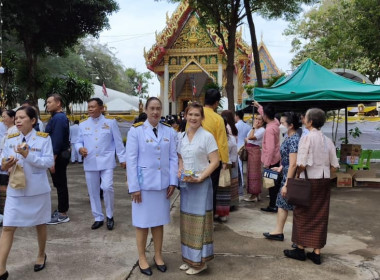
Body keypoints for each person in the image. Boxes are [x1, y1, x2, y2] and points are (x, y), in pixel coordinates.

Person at [0, 106, 54, 279]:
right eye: (16, 117)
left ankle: (41, 254)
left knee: (40, 224)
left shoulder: (43, 139)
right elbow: (3, 163)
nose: (17, 120)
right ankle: (1, 268)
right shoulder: (10, 138)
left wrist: (28, 155)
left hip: (37, 191)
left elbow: (48, 162)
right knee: (8, 226)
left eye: (22, 118)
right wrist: (6, 164)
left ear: (33, 121)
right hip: (16, 189)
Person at [126, 97, 178, 276]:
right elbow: (131, 160)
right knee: (141, 223)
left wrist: (173, 181)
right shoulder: (136, 131)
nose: (155, 112)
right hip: (143, 185)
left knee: (158, 222)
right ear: (146, 110)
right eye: (152, 108)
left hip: (162, 185)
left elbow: (172, 158)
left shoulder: (169, 131)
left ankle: (158, 255)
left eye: (158, 108)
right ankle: (142, 257)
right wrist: (134, 186)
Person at [284, 108, 339, 265]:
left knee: (302, 213)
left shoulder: (306, 138)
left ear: (310, 122)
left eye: (305, 117)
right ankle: (316, 252)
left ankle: (300, 248)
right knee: (320, 214)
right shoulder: (327, 141)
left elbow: (301, 164)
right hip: (324, 180)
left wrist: (295, 177)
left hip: (308, 180)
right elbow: (334, 165)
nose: (302, 118)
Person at [177, 102, 219, 275]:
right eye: (190, 114)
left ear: (202, 118)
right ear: (185, 116)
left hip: (201, 185)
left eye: (197, 115)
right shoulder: (181, 137)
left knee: (200, 222)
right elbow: (180, 158)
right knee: (187, 222)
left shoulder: (207, 136)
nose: (193, 118)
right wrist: (180, 170)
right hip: (186, 185)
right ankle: (190, 259)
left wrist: (201, 177)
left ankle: (200, 262)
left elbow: (215, 161)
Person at [76, 98, 126, 230]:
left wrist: (122, 159)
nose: (90, 109)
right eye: (89, 107)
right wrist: (80, 149)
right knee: (93, 191)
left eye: (93, 107)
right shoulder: (83, 125)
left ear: (101, 108)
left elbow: (118, 142)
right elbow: (78, 141)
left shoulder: (110, 123)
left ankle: (110, 215)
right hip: (90, 161)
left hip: (106, 160)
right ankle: (98, 217)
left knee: (107, 187)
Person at [263, 112, 301, 241]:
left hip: (291, 177)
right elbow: (287, 160)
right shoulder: (288, 137)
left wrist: (287, 184)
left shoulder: (294, 139)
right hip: (286, 174)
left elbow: (293, 163)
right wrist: (280, 167)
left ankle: (296, 237)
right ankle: (278, 231)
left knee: (291, 205)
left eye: (283, 123)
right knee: (281, 204)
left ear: (290, 125)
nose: (280, 125)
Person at [45, 94, 71, 225]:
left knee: (60, 184)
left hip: (59, 155)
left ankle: (62, 214)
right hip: (58, 155)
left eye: (50, 102)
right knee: (59, 184)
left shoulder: (59, 118)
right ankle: (61, 210)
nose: (47, 105)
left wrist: (52, 160)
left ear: (58, 103)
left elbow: (57, 141)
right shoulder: (56, 117)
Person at [202, 89, 229, 213]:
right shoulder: (218, 118)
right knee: (211, 189)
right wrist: (224, 160)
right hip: (213, 160)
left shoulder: (194, 114)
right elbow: (222, 142)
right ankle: (209, 218)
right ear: (216, 103)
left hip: (196, 158)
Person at [253, 101, 281, 213]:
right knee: (274, 184)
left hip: (271, 161)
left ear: (265, 116)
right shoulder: (275, 123)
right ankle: (274, 204)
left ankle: (273, 205)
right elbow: (267, 115)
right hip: (276, 159)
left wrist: (266, 164)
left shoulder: (269, 129)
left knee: (271, 185)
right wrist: (259, 107)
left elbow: (269, 148)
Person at [215, 116, 237, 222]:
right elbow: (233, 154)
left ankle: (215, 212)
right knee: (224, 190)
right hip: (226, 165)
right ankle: (222, 214)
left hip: (214, 165)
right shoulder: (231, 138)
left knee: (215, 190)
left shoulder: (212, 136)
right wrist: (231, 163)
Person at [0, 110, 17, 226]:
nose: (3, 119)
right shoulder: (7, 131)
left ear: (12, 118)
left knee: (5, 188)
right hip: (3, 164)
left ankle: (8, 214)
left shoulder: (15, 131)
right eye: (2, 117)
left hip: (8, 165)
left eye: (5, 117)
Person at [244, 114, 265, 202]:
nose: (257, 121)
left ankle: (255, 194)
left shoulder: (262, 130)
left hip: (255, 152)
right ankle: (255, 194)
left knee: (254, 173)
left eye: (259, 119)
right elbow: (247, 138)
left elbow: (250, 137)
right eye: (256, 119)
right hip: (250, 151)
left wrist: (253, 128)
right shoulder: (255, 129)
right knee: (251, 173)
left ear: (263, 121)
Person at [221, 110, 239, 209]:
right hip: (232, 160)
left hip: (226, 161)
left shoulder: (227, 129)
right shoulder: (234, 127)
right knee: (231, 182)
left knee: (224, 183)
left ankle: (225, 206)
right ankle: (232, 203)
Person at [235, 110, 251, 195]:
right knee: (245, 166)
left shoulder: (235, 126)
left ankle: (241, 181)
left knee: (239, 165)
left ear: (237, 116)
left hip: (237, 147)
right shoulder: (248, 126)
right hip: (245, 146)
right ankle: (244, 182)